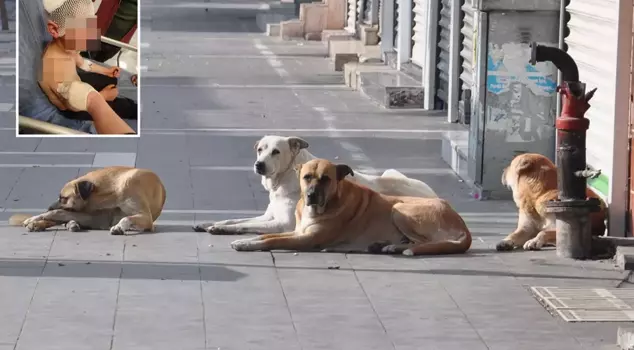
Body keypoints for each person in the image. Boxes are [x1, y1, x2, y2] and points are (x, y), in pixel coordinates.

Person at [39, 0, 135, 134]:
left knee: (111, 80)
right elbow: (71, 104)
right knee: (125, 106)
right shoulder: (54, 70)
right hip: (73, 106)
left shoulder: (68, 48)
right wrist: (103, 97)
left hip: (76, 85)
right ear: (55, 29)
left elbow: (82, 62)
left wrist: (106, 71)